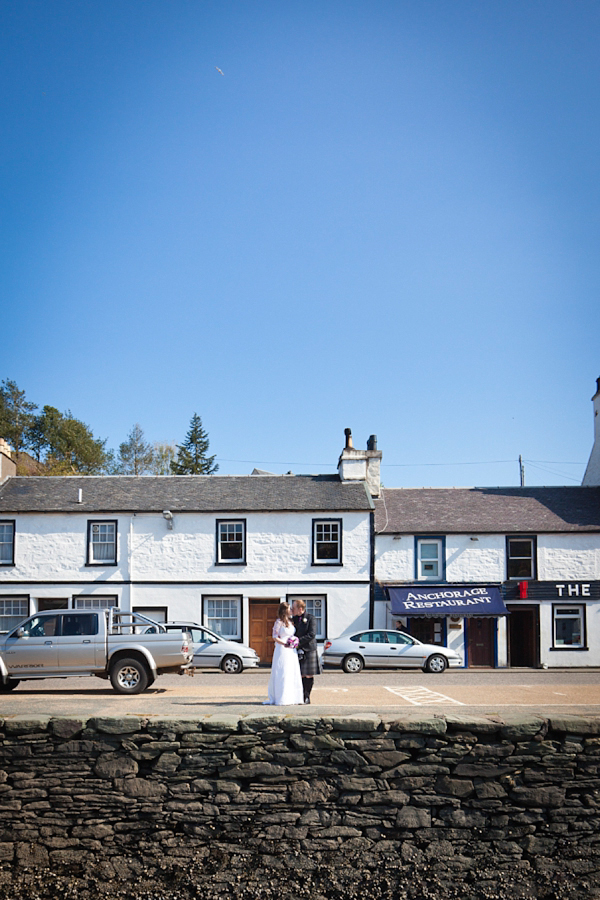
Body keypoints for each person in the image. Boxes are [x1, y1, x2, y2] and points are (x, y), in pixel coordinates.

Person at [264, 602, 304, 706]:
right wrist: (285, 643)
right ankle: (282, 698)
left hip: (291, 650)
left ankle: (294, 697)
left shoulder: (290, 622)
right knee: (283, 671)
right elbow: (275, 637)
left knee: (292, 671)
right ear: (285, 610)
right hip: (282, 649)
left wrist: (294, 642)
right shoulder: (279, 622)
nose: (291, 610)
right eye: (290, 609)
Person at [291, 599, 320, 704]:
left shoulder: (311, 618)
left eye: (293, 608)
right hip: (297, 650)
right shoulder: (293, 619)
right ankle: (300, 696)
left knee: (308, 675)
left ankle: (307, 697)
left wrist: (298, 641)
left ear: (300, 608)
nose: (292, 610)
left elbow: (312, 634)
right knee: (300, 674)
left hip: (309, 649)